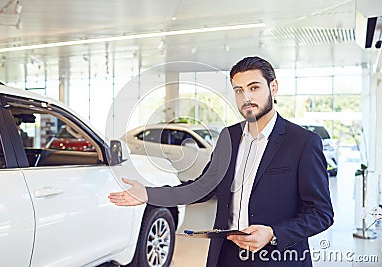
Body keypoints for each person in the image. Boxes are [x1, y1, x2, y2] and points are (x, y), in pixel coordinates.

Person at [108, 56, 334, 267]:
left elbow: (321, 213)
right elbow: (202, 187)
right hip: (226, 254)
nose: (246, 97)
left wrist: (274, 232)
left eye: (254, 88)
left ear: (273, 87)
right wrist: (149, 194)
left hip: (277, 256)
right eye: (239, 90)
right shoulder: (229, 137)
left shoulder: (303, 142)